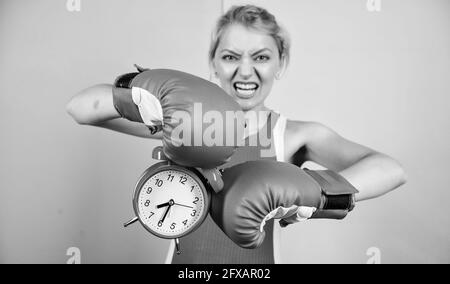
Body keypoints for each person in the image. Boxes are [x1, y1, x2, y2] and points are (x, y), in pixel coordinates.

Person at [66, 5, 407, 264]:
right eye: (230, 56)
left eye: (261, 56)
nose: (245, 71)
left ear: (280, 64)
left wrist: (311, 198)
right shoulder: (186, 123)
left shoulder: (294, 135)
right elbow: (80, 108)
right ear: (212, 63)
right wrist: (145, 88)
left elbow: (391, 169)